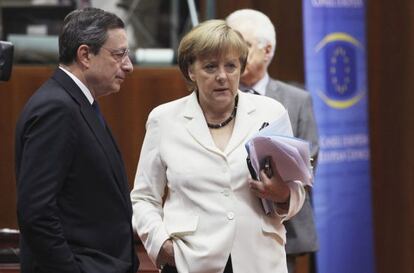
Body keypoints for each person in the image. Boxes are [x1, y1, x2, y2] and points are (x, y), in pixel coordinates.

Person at [130, 19, 305, 273]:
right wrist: (162, 245)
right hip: (190, 261)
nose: (222, 76)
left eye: (231, 66)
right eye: (210, 67)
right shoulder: (164, 119)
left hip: (259, 260)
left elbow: (296, 187)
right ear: (191, 70)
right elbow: (144, 197)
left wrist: (284, 196)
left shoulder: (270, 113)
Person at [15, 8, 138, 273]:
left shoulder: (75, 102)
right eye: (119, 55)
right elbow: (37, 214)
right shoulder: (57, 108)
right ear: (85, 55)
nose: (128, 66)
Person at [226, 9, 320, 273]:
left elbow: (308, 160)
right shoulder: (216, 96)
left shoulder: (296, 99)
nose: (233, 54)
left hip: (282, 227)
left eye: (241, 45)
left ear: (266, 50)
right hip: (224, 232)